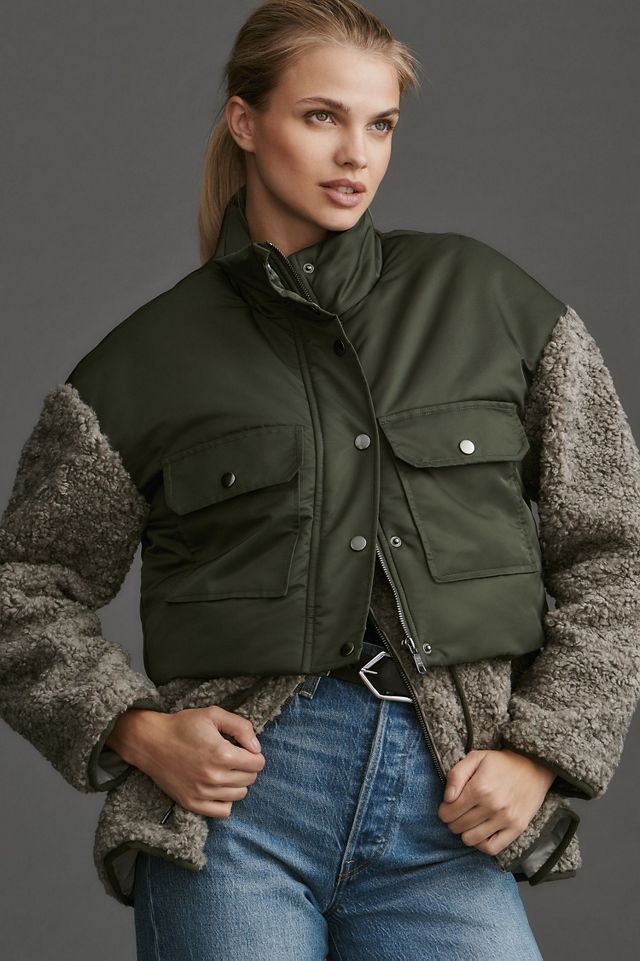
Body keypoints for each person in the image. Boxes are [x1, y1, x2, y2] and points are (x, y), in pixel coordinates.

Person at [1, 1, 639, 959]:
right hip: (238, 819)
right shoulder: (145, 362)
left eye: (380, 125)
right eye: (321, 116)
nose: (356, 154)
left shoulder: (493, 304)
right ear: (245, 121)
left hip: (448, 808)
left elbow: (613, 549)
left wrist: (544, 749)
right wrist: (134, 728)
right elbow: (22, 587)